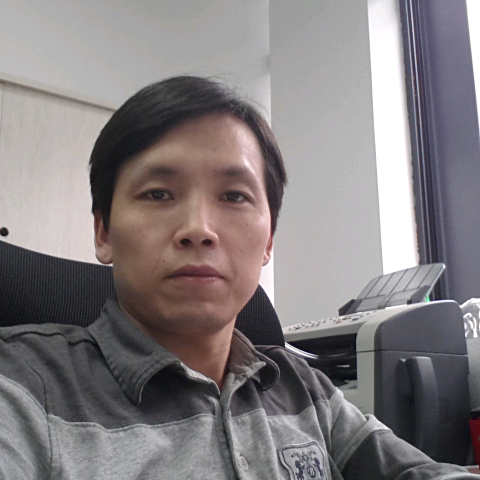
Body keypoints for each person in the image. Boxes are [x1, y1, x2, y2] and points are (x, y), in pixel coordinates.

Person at [0, 76, 477, 479]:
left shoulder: (302, 387)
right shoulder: (25, 390)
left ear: (268, 241)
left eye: (233, 196)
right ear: (103, 231)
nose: (198, 229)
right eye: (159, 193)